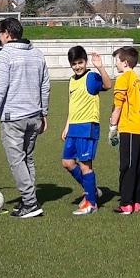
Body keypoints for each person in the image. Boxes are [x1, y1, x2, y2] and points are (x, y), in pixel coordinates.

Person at [0, 17, 50, 219]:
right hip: (34, 115)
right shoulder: (37, 53)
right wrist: (44, 112)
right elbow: (45, 85)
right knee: (27, 158)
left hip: (14, 117)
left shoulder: (6, 55)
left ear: (8, 34)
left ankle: (30, 203)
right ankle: (27, 199)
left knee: (17, 160)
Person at [59, 46, 112, 216]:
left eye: (80, 62)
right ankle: (92, 190)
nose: (77, 66)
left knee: (85, 166)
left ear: (85, 62)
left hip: (87, 127)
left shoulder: (91, 77)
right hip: (74, 127)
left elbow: (108, 85)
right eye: (74, 64)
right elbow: (72, 105)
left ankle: (92, 203)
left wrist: (100, 67)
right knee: (67, 162)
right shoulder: (71, 80)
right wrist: (67, 126)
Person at [108, 45, 140, 214]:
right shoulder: (137, 78)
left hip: (130, 126)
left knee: (127, 165)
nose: (116, 64)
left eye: (117, 60)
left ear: (124, 62)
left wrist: (112, 126)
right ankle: (137, 201)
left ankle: (126, 202)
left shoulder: (124, 78)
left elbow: (118, 105)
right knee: (139, 165)